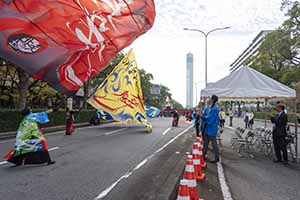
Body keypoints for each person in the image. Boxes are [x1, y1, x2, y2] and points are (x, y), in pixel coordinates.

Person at [202, 95, 220, 163]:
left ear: (212, 100)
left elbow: (209, 119)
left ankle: (216, 158)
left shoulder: (214, 109)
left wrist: (202, 116)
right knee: (206, 144)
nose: (208, 99)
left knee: (213, 144)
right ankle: (203, 156)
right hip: (208, 129)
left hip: (211, 129)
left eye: (210, 98)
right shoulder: (210, 107)